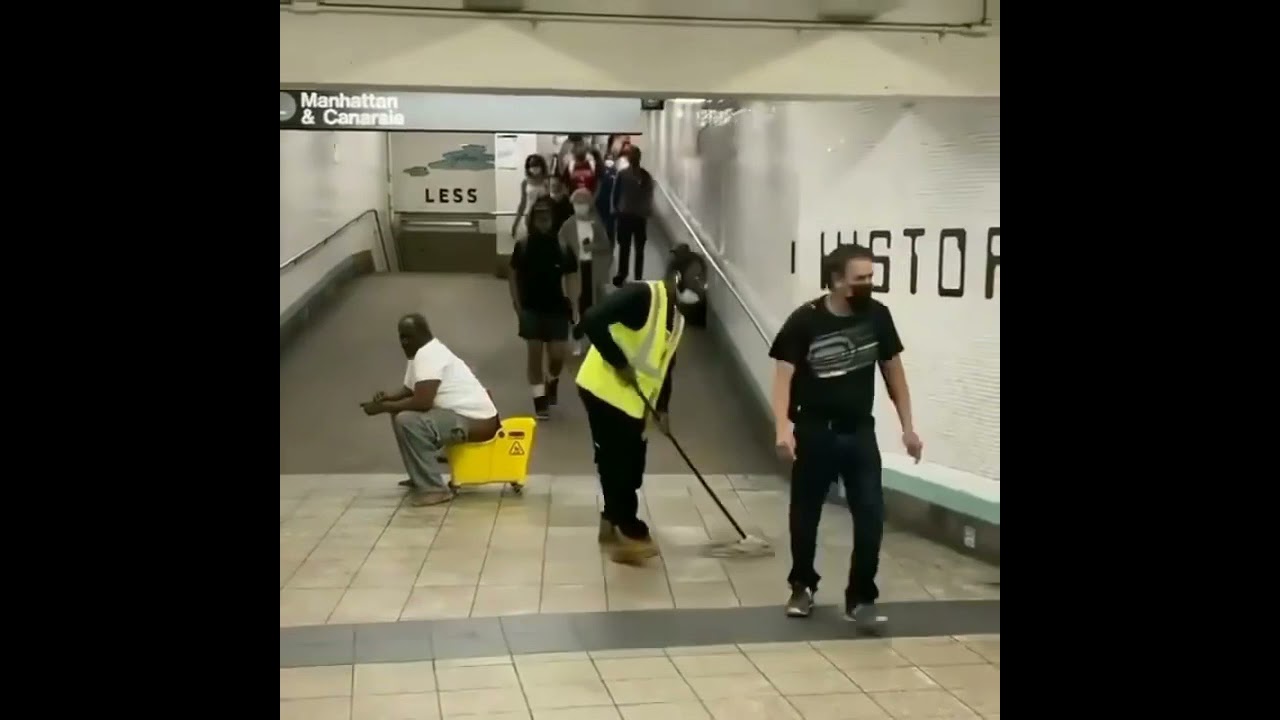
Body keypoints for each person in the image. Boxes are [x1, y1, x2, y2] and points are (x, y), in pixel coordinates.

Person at [769, 244, 924, 632]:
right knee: (805, 515)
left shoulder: (877, 317)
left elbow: (895, 375)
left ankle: (862, 597)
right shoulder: (805, 321)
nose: (869, 285)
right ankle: (802, 584)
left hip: (859, 433)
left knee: (871, 515)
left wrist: (908, 428)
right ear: (837, 280)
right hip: (815, 432)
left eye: (871, 277)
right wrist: (782, 427)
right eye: (861, 279)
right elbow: (783, 378)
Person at [575, 245, 708, 565]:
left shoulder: (675, 317)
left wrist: (663, 409)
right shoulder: (643, 296)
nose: (701, 286)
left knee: (631, 462)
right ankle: (628, 528)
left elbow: (665, 366)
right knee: (618, 461)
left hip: (634, 400)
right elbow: (592, 319)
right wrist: (618, 361)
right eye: (697, 278)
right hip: (602, 388)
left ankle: (611, 521)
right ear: (677, 276)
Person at [362, 314, 501, 506]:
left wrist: (383, 407)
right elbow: (410, 390)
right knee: (400, 414)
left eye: (407, 337)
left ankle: (435, 489)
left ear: (422, 335)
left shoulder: (429, 355)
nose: (403, 342)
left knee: (408, 420)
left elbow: (423, 402)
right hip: (462, 416)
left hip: (477, 421)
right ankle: (420, 476)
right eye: (401, 337)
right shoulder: (419, 354)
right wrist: (388, 398)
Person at [509, 197, 579, 419]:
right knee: (535, 354)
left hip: (557, 308)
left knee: (558, 355)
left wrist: (574, 304)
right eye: (539, 219)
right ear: (533, 220)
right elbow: (513, 275)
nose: (543, 223)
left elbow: (571, 276)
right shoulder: (524, 246)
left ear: (552, 221)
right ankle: (540, 401)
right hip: (531, 308)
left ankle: (552, 379)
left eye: (546, 219)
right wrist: (518, 306)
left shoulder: (562, 247)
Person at [559, 187, 613, 356]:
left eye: (583, 203)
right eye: (577, 203)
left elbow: (606, 245)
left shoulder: (596, 224)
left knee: (594, 305)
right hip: (576, 270)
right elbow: (560, 245)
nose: (580, 207)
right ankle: (578, 340)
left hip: (593, 269)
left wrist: (592, 247)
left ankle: (594, 340)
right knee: (577, 305)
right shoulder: (568, 225)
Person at [612, 146, 655, 287]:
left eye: (634, 156)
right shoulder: (626, 175)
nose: (633, 158)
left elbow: (649, 194)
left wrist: (647, 210)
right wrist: (615, 209)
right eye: (632, 156)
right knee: (630, 247)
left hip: (633, 216)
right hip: (630, 216)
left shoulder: (642, 176)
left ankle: (631, 275)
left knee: (634, 248)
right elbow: (616, 193)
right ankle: (628, 274)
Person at [511, 154, 550, 242]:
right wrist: (516, 223)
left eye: (536, 165)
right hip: (530, 216)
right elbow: (523, 203)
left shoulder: (547, 181)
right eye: (531, 166)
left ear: (541, 166)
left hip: (546, 216)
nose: (534, 168)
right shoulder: (525, 182)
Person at [594, 148, 618, 243]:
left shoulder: (613, 172)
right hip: (605, 202)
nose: (609, 161)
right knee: (607, 226)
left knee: (607, 226)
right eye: (608, 159)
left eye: (610, 159)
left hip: (606, 202)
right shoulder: (611, 172)